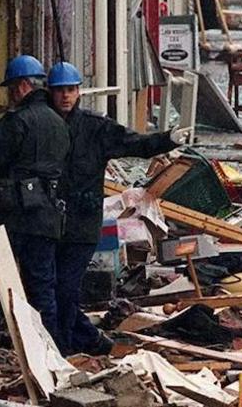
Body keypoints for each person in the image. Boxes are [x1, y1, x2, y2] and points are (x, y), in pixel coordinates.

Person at [47, 61, 191, 355]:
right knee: (53, 291)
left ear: (79, 92)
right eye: (60, 90)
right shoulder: (42, 125)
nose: (65, 96)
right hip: (49, 224)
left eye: (70, 90)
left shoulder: (95, 128)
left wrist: (167, 139)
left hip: (82, 225)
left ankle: (68, 346)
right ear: (50, 92)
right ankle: (86, 341)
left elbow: (134, 143)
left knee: (65, 289)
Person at [0, 55, 71, 348]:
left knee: (3, 282)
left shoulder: (14, 123)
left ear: (23, 86)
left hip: (16, 215)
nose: (11, 94)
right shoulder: (59, 123)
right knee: (43, 287)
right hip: (48, 215)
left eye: (12, 88)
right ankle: (49, 349)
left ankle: (1, 344)